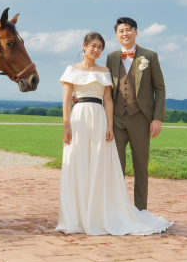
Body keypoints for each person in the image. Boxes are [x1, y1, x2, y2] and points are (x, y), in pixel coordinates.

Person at [56, 32, 171, 235]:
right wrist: (66, 126)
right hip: (79, 118)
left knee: (101, 165)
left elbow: (108, 99)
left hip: (100, 118)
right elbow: (66, 100)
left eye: (100, 46)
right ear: (83, 46)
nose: (96, 49)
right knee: (78, 163)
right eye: (92, 45)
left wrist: (109, 125)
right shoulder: (71, 70)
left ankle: (101, 213)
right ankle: (77, 216)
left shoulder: (105, 70)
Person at [105, 17, 166, 212]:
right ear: (116, 35)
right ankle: (117, 210)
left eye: (129, 30)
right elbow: (105, 88)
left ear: (136, 32)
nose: (125, 33)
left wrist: (157, 118)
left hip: (141, 118)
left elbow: (160, 88)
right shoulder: (111, 57)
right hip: (116, 118)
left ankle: (141, 211)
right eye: (121, 31)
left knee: (141, 167)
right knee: (116, 167)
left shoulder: (150, 56)